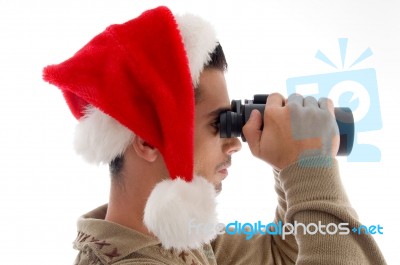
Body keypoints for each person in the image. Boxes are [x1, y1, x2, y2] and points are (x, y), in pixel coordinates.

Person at [43, 6, 387, 265]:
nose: (235, 143)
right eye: (217, 124)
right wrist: (311, 166)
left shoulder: (168, 242)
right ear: (147, 140)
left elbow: (280, 256)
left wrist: (289, 166)